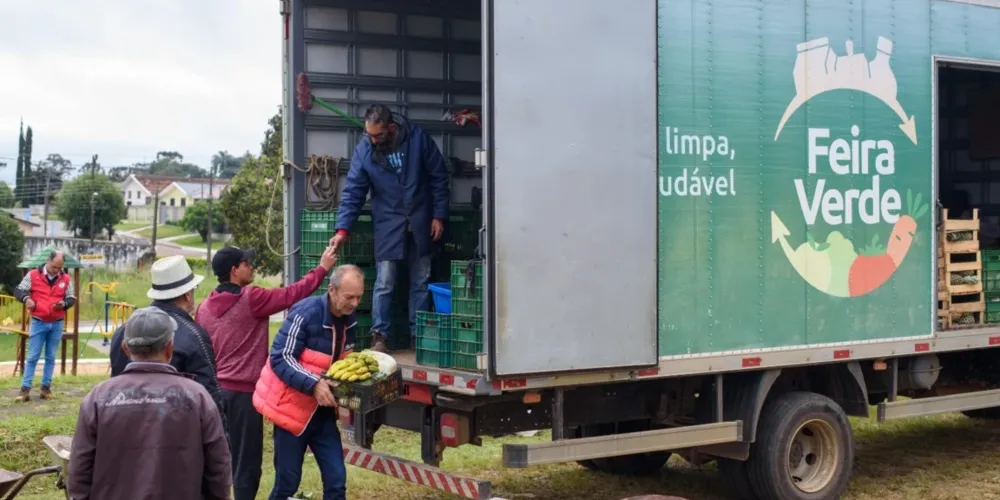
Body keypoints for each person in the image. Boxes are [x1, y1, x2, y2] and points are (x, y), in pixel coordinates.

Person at [195, 244, 337, 500]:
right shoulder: (251, 298)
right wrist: (323, 268)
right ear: (234, 271)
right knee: (246, 465)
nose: (252, 266)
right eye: (247, 263)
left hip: (215, 393)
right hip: (243, 396)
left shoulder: (203, 308)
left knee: (218, 459)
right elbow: (294, 294)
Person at [67, 307, 232, 500]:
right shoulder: (198, 397)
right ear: (170, 347)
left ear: (125, 348)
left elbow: (79, 470)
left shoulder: (97, 399)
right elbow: (218, 468)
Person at [330, 103, 450, 352]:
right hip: (388, 223)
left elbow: (439, 177)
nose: (372, 141)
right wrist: (342, 229)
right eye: (368, 135)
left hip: (420, 221)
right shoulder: (365, 150)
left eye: (377, 135)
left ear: (391, 129)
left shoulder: (418, 140)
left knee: (421, 280)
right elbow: (354, 191)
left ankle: (419, 338)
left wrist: (438, 215)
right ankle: (379, 337)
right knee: (385, 282)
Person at [252, 265, 364, 500]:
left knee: (336, 480)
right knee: (287, 483)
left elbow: (343, 359)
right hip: (291, 412)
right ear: (332, 290)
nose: (354, 303)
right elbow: (280, 357)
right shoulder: (305, 312)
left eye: (359, 297)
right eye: (349, 297)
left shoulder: (349, 319)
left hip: (322, 413)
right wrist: (314, 383)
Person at [108, 255, 226, 428]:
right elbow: (210, 397)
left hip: (127, 429)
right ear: (187, 294)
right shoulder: (194, 334)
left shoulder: (124, 330)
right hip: (175, 434)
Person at [12, 250, 76, 402]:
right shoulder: (33, 275)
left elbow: (71, 298)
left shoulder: (66, 278)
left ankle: (45, 388)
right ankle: (25, 390)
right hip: (39, 321)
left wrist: (64, 304)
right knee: (33, 356)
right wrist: (26, 298)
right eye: (54, 267)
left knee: (51, 357)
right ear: (48, 260)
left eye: (60, 268)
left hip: (57, 323)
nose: (57, 270)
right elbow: (19, 290)